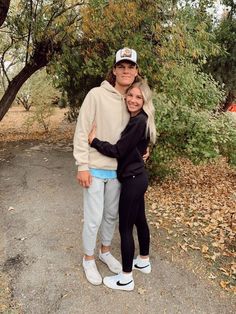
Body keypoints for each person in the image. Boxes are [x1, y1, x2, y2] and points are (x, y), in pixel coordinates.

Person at [73, 47, 144, 286]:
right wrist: (82, 164)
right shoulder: (96, 94)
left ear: (136, 71)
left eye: (130, 67)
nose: (126, 70)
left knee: (111, 216)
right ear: (114, 70)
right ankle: (88, 258)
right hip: (94, 168)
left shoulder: (133, 100)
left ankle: (104, 252)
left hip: (119, 172)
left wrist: (145, 149)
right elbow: (82, 131)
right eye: (121, 66)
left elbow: (137, 133)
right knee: (93, 217)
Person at [88, 79, 156, 291]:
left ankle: (126, 278)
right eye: (131, 95)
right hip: (139, 178)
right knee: (140, 220)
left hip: (133, 180)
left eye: (139, 97)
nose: (133, 100)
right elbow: (138, 146)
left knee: (125, 228)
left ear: (145, 101)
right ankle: (143, 261)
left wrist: (94, 141)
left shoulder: (138, 121)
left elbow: (118, 150)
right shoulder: (141, 120)